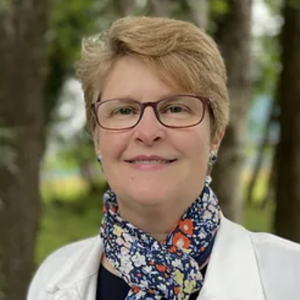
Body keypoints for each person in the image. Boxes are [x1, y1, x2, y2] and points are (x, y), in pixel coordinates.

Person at [27, 16, 300, 300]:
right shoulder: (53, 279)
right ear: (97, 138)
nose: (147, 132)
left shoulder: (291, 276)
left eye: (175, 108)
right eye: (124, 111)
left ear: (215, 134)